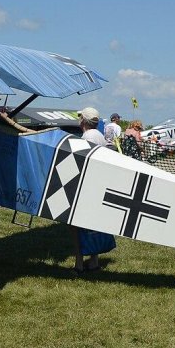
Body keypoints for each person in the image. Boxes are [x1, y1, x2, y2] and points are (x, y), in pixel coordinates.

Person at [73, 107, 106, 272]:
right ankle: (94, 261)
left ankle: (79, 264)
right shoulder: (100, 136)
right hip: (97, 185)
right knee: (94, 225)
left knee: (76, 226)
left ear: (84, 121)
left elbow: (81, 161)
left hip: (86, 187)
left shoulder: (87, 136)